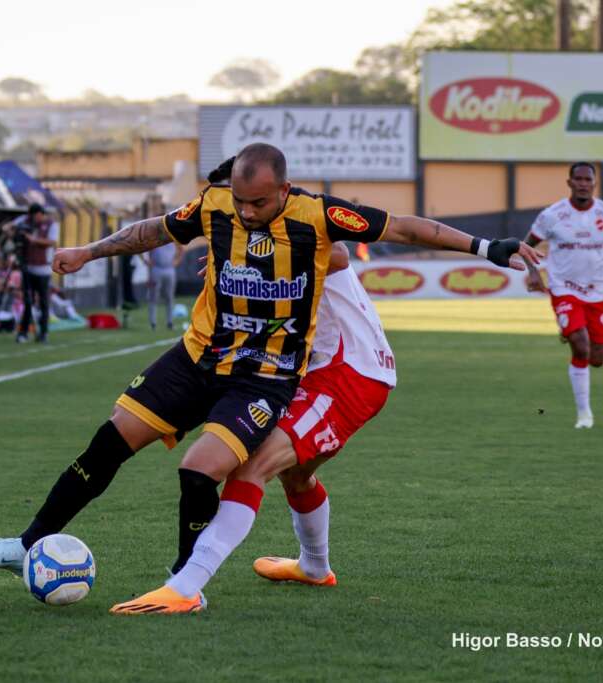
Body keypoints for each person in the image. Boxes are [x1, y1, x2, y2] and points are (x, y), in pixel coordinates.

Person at [0, 144, 539, 612]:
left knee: (201, 470)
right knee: (110, 439)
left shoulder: (319, 220)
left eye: (257, 203)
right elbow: (154, 230)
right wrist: (87, 251)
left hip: (264, 377)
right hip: (199, 356)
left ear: (283, 191)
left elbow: (405, 229)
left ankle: (184, 584)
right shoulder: (214, 207)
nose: (245, 212)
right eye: (238, 200)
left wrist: (488, 247)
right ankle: (26, 543)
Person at [112, 242, 393, 613]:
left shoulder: (300, 219)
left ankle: (186, 587)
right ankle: (313, 566)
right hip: (321, 370)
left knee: (253, 464)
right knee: (294, 474)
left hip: (348, 373)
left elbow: (337, 252)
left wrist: (253, 258)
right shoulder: (258, 230)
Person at [525, 162, 603, 429]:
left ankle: (568, 329)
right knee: (580, 346)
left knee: (597, 359)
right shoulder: (552, 215)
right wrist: (533, 272)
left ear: (594, 183)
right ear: (569, 182)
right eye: (578, 179)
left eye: (588, 179)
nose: (583, 183)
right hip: (563, 288)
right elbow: (527, 245)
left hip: (596, 292)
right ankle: (585, 414)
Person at [12, 203, 57, 343]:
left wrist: (33, 240)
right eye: (31, 216)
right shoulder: (25, 221)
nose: (34, 219)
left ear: (41, 214)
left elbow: (51, 242)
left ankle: (43, 333)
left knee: (44, 302)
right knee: (27, 302)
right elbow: (9, 227)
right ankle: (23, 332)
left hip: (43, 269)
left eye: (36, 216)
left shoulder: (51, 225)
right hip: (27, 267)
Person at [142, 241, 183, 330]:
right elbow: (147, 251)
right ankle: (153, 323)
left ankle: (170, 322)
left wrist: (176, 262)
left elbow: (181, 250)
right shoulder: (155, 239)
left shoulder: (173, 239)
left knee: (169, 296)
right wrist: (148, 265)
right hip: (157, 269)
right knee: (153, 296)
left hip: (169, 269)